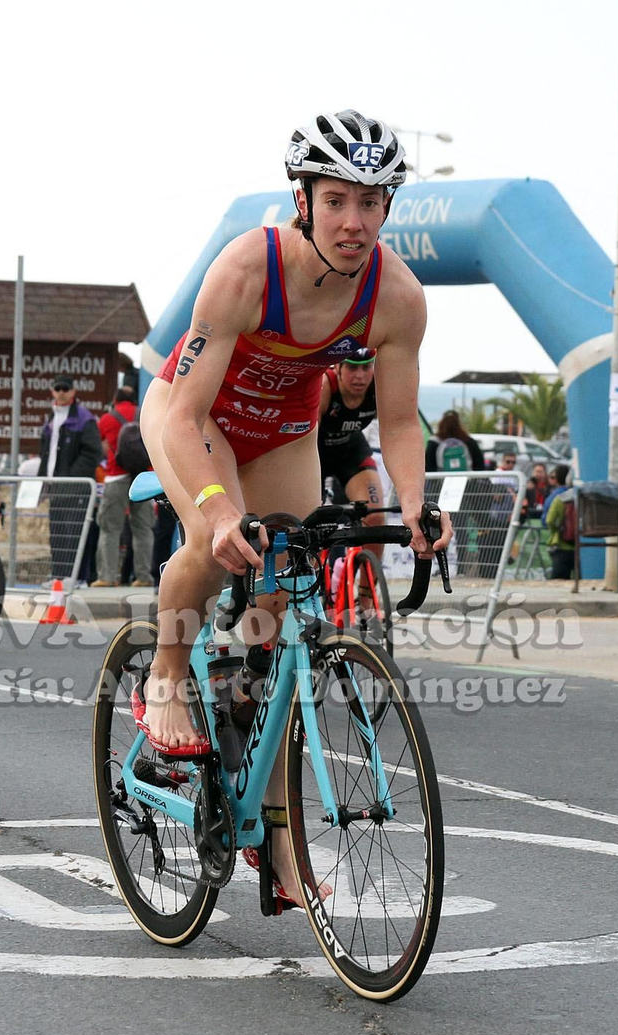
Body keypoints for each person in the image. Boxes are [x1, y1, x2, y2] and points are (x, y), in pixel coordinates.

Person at [139, 110, 450, 906]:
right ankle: (168, 674)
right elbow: (182, 414)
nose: (354, 221)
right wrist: (213, 509)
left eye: (371, 203)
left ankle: (271, 819)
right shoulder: (248, 268)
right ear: (303, 198)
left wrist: (415, 503)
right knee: (218, 550)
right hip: (195, 414)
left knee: (278, 621)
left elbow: (403, 421)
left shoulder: (398, 298)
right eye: (338, 199)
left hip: (282, 431)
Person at [316, 352, 388, 565]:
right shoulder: (325, 386)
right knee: (307, 523)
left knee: (375, 516)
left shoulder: (379, 386)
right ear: (337, 368)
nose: (360, 376)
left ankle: (366, 597)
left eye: (366, 368)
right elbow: (306, 438)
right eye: (352, 368)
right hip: (314, 454)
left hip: (350, 452)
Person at [37, 375, 103, 583]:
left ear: (73, 391)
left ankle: (78, 578)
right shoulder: (51, 418)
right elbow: (45, 453)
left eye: (66, 388)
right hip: (55, 486)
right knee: (57, 533)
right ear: (52, 391)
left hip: (75, 487)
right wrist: (42, 483)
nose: (62, 392)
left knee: (76, 533)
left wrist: (71, 476)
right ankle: (59, 576)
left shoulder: (84, 418)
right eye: (58, 388)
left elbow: (93, 453)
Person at [93, 385, 155, 587]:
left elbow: (101, 445)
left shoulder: (107, 419)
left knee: (110, 528)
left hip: (116, 477)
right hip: (144, 478)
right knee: (143, 529)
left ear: (115, 399)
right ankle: (144, 577)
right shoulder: (145, 415)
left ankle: (107, 577)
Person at [542, 464, 577, 580]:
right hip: (580, 547)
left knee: (558, 582)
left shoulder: (558, 498)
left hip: (561, 545)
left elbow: (549, 520)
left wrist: (555, 531)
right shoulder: (581, 497)